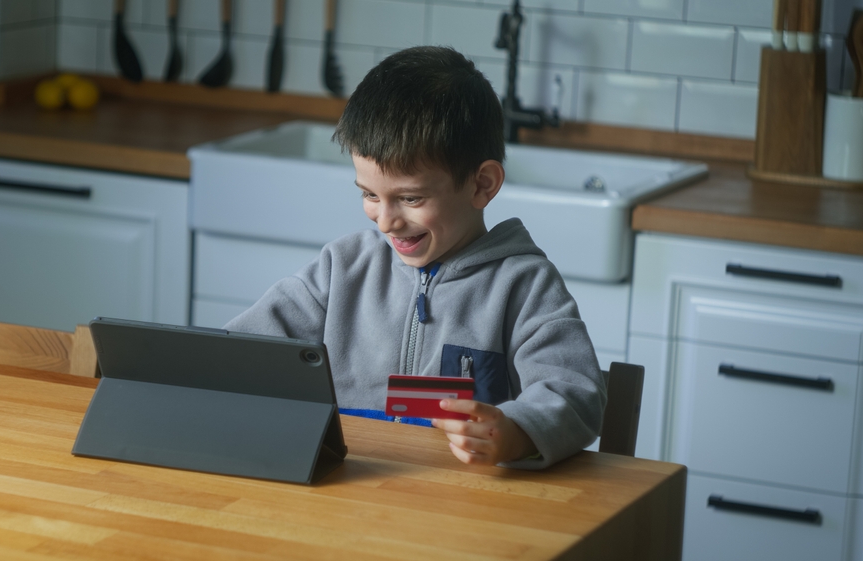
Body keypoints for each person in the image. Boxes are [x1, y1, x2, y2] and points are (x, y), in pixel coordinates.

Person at [225, 46, 605, 469]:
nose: (385, 221)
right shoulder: (342, 268)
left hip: (464, 512)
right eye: (369, 194)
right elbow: (239, 354)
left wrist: (516, 432)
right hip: (349, 497)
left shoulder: (524, 285)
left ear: (482, 184)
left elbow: (575, 392)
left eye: (409, 198)